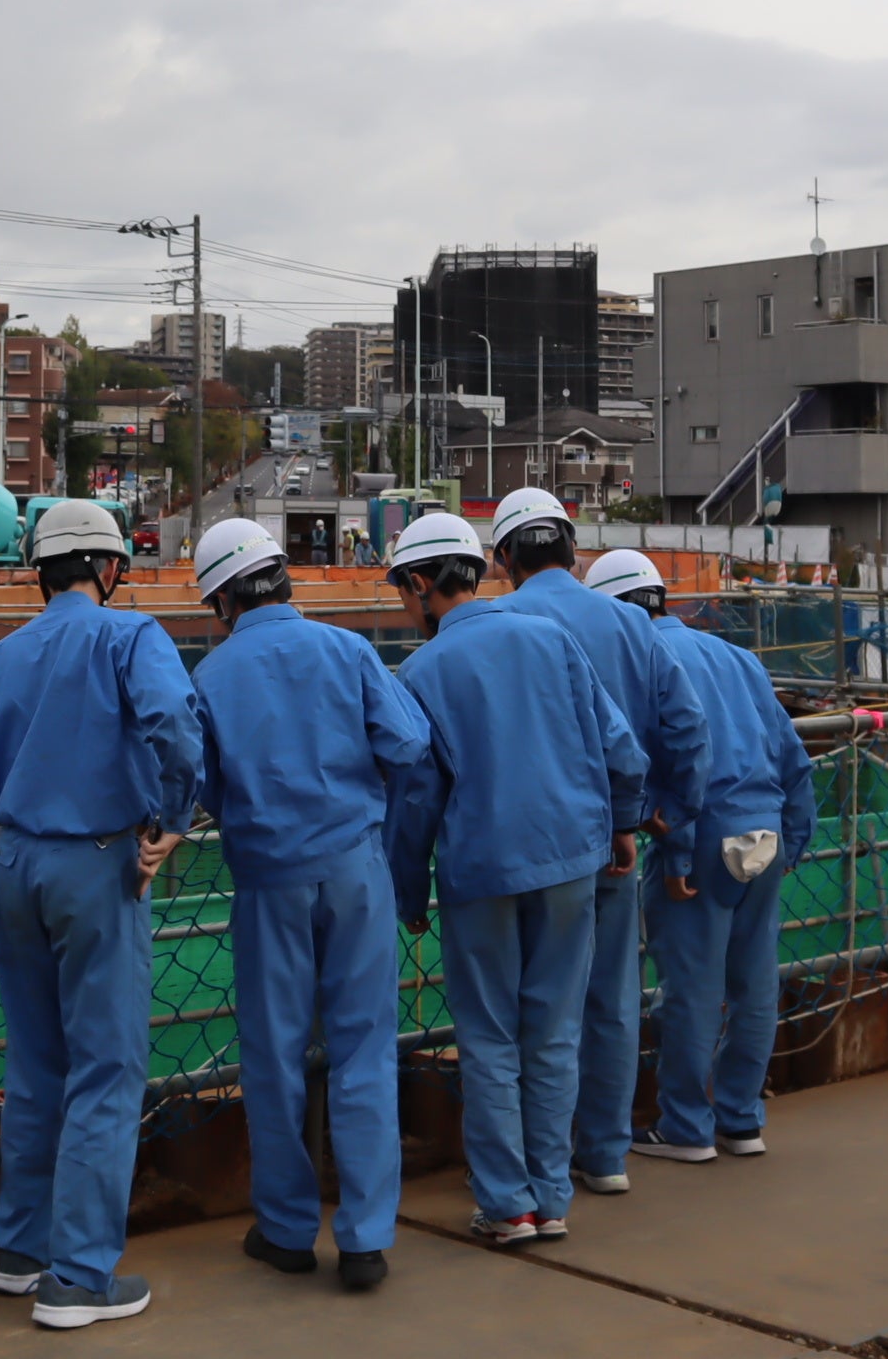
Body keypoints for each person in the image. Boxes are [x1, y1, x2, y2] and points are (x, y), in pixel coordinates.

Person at [0, 501, 201, 1329]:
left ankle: (22, 1253)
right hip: (97, 859)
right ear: (109, 569)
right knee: (106, 1067)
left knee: (35, 1063)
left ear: (40, 571)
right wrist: (172, 817)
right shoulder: (129, 637)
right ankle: (81, 1278)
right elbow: (174, 723)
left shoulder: (1, 656)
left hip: (17, 859)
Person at [382, 513, 645, 1248]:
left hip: (481, 869)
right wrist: (621, 824)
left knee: (491, 1037)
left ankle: (509, 1205)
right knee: (554, 1031)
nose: (406, 603)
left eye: (405, 589)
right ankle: (553, 1196)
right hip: (570, 858)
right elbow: (618, 745)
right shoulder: (549, 638)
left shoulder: (424, 671)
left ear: (424, 583)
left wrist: (408, 891)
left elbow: (415, 797)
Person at [186, 518, 428, 1293]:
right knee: (364, 1047)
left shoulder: (212, 677)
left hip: (267, 874)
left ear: (221, 599)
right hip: (355, 865)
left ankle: (287, 1228)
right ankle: (365, 1238)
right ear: (284, 577)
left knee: (273, 1054)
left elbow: (195, 782)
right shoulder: (348, 650)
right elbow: (408, 744)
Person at [486, 489, 707, 1198]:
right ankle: (605, 1154)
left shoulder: (496, 622)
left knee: (518, 1008)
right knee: (611, 999)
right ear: (574, 553)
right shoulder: (628, 623)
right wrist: (664, 811)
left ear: (502, 558)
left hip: (516, 846)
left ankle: (524, 1165)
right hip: (616, 839)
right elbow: (686, 727)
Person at [582, 553, 814, 1165]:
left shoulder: (641, 664)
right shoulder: (737, 658)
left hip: (700, 838)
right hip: (764, 829)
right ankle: (741, 1119)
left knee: (689, 987)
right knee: (754, 981)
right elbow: (793, 754)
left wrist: (679, 852)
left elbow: (684, 764)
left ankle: (686, 1125)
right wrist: (795, 835)